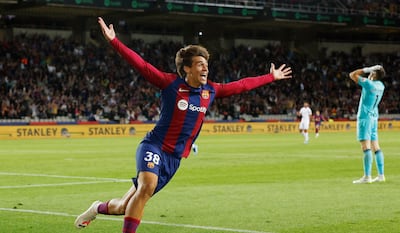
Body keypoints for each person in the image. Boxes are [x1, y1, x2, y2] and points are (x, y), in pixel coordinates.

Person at [74, 17, 293, 233]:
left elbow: (242, 85)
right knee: (147, 186)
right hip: (154, 146)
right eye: (200, 64)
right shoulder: (170, 84)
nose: (205, 68)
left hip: (174, 159)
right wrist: (114, 41)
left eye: (206, 64)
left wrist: (270, 77)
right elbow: (141, 65)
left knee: (124, 206)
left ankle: (96, 208)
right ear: (187, 69)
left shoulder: (211, 91)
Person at [349, 65, 386, 184]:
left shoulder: (369, 84)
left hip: (365, 117)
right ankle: (381, 175)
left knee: (366, 146)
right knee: (376, 146)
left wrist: (366, 70)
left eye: (372, 73)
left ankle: (367, 176)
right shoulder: (381, 86)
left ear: (374, 74)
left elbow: (352, 75)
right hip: (374, 116)